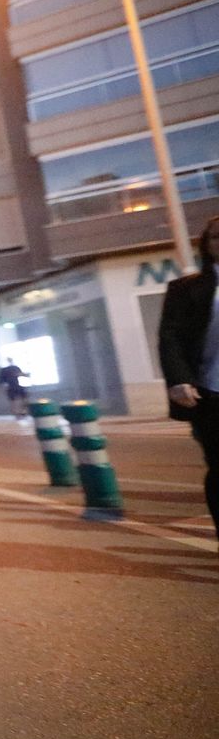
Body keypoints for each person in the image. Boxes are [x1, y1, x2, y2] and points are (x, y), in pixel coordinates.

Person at [159, 214, 219, 538]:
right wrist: (179, 380)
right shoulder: (186, 289)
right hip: (211, 394)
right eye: (217, 237)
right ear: (207, 246)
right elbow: (171, 339)